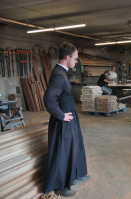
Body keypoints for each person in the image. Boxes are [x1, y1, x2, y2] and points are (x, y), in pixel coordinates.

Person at [43, 42, 90, 197]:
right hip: (63, 120)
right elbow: (49, 98)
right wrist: (61, 115)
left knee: (75, 146)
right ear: (67, 57)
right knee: (62, 152)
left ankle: (75, 175)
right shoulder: (58, 74)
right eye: (75, 59)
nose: (76, 62)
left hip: (70, 117)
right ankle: (59, 186)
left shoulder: (62, 72)